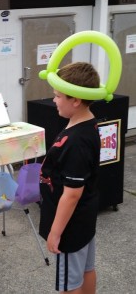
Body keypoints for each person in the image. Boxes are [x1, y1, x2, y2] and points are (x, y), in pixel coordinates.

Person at [39, 62, 101, 294]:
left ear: (75, 99)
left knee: (69, 284)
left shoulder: (77, 141)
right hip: (83, 218)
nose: (54, 100)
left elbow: (72, 193)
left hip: (70, 224)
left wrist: (56, 232)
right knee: (86, 269)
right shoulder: (86, 123)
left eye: (57, 96)